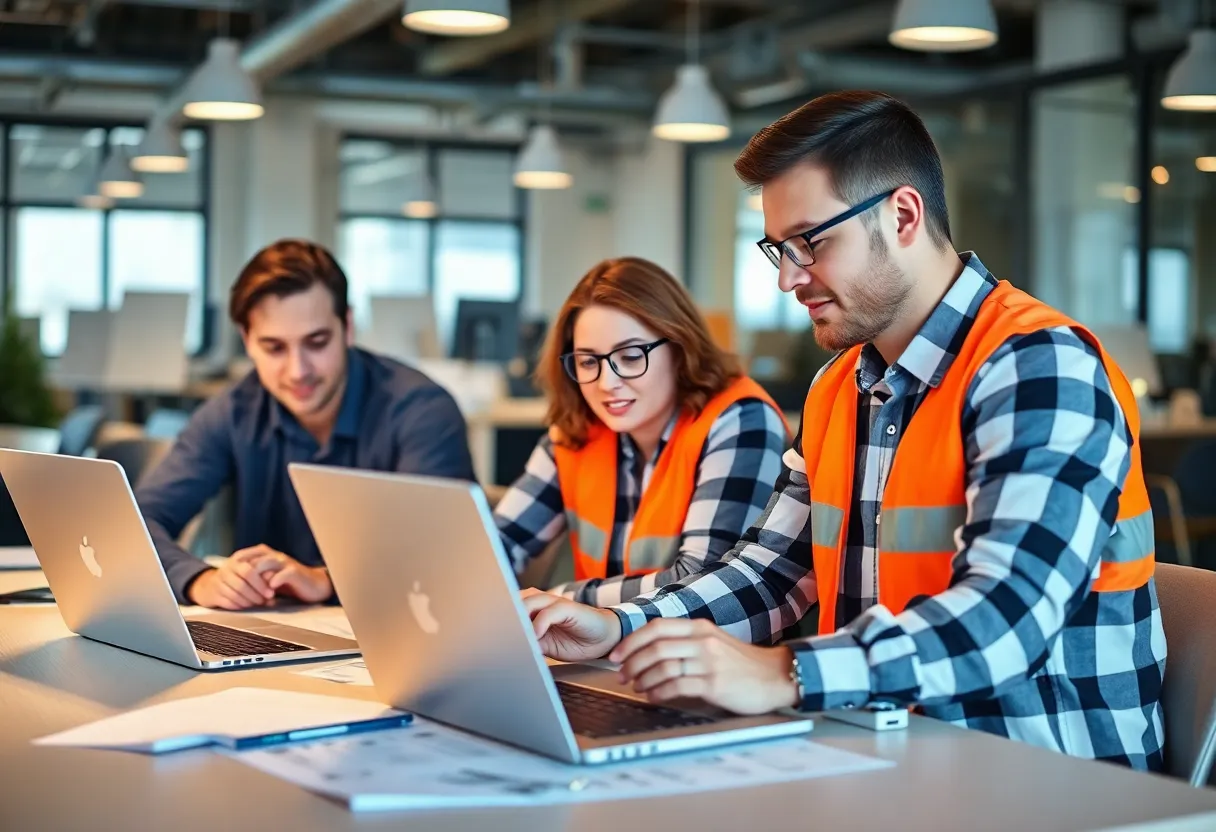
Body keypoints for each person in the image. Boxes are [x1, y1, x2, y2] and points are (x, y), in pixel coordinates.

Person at [522, 91, 1165, 771]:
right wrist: (621, 626)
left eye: (812, 243)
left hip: (1043, 777)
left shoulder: (1039, 365)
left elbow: (1006, 618)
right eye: (779, 251)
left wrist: (784, 674)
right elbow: (770, 576)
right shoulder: (838, 388)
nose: (790, 280)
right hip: (877, 752)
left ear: (904, 215)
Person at [137, 239, 476, 610]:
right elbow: (136, 522)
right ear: (247, 340)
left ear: (347, 326)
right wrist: (198, 580)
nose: (298, 371)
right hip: (272, 639)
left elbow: (444, 555)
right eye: (274, 348)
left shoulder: (421, 411)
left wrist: (326, 579)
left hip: (396, 633)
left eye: (316, 342)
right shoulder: (234, 411)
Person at [495, 256, 789, 607]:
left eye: (631, 356)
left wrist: (564, 599)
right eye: (589, 361)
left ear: (680, 348)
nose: (607, 383)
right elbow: (495, 546)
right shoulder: (578, 429)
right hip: (599, 656)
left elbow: (702, 582)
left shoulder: (740, 420)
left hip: (704, 657)